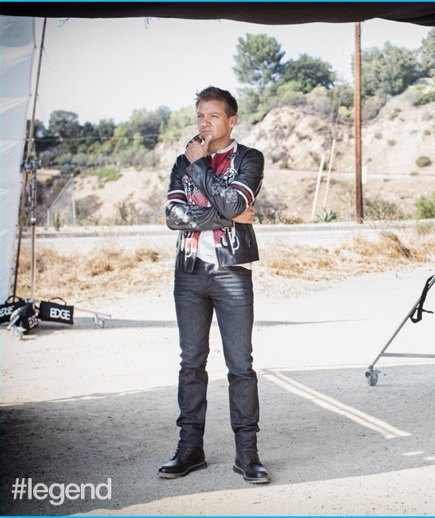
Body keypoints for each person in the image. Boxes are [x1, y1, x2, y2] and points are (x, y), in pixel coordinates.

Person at [159, 86, 269, 484]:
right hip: (188, 272)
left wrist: (203, 167)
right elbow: (173, 215)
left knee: (240, 366)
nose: (204, 123)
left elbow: (236, 203)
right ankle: (190, 450)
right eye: (200, 115)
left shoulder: (249, 159)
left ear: (232, 121)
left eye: (213, 116)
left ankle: (248, 455)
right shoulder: (180, 162)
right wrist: (224, 216)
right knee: (191, 363)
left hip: (232, 272)